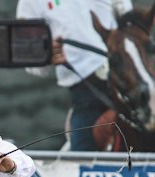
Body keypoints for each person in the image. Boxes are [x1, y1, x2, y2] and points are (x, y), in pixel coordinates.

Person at [16, 0, 133, 151]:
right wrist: (45, 52)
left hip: (131, 83)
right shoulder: (30, 3)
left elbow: (131, 25)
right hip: (87, 93)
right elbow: (26, 55)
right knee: (82, 157)